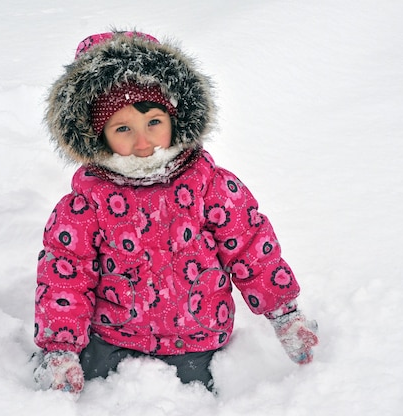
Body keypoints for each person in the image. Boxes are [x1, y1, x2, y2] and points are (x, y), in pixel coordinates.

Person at [33, 31, 318, 395]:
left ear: (175, 117)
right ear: (96, 136)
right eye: (123, 129)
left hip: (197, 339)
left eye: (153, 122)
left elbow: (251, 250)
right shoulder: (85, 204)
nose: (143, 142)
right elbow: (65, 276)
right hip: (111, 339)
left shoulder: (210, 187)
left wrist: (285, 316)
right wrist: (61, 349)